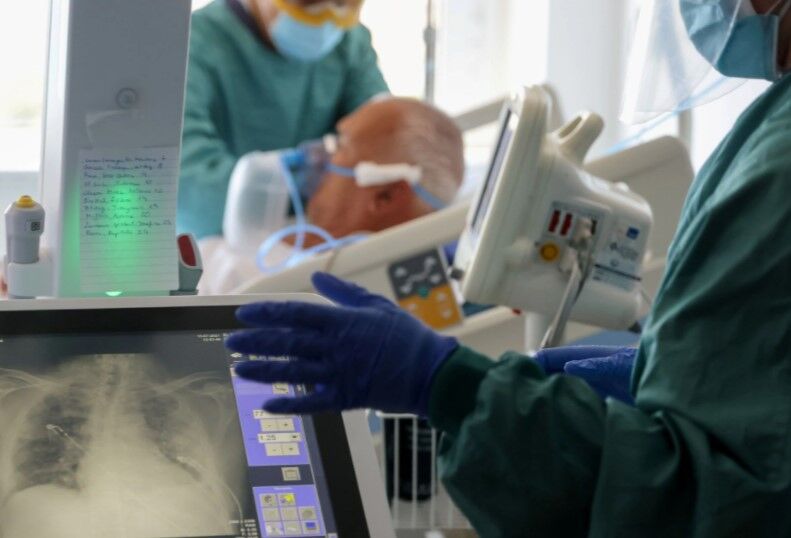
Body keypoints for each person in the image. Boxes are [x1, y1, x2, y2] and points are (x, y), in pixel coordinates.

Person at [227, 0, 791, 535]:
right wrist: (647, 370)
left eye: (338, 153)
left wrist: (449, 386)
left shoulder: (776, 172)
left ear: (385, 194)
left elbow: (697, 503)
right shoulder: (769, 134)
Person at [199, 97, 464, 294]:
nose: (316, 156)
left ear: (385, 197)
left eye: (341, 145)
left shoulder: (319, 285)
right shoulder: (300, 240)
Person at [178, 0, 389, 239]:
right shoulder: (192, 44)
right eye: (309, 2)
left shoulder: (350, 43)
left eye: (342, 3)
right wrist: (290, 182)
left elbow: (389, 141)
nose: (327, 16)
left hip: (322, 242)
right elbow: (190, 195)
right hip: (221, 244)